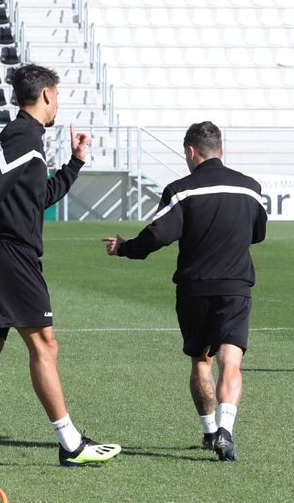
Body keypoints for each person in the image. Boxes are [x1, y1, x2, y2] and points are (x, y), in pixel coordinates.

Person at [0, 64, 119, 469]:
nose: (58, 104)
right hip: (9, 256)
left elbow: (39, 198)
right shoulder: (22, 134)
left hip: (2, 254)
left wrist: (75, 163)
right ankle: (70, 444)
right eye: (58, 96)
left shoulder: (29, 138)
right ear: (47, 95)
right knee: (44, 345)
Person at [104, 121, 266, 461]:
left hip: (194, 289)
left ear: (191, 151)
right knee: (231, 362)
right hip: (235, 287)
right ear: (221, 150)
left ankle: (209, 432)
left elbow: (157, 235)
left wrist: (124, 248)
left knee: (202, 362)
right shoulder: (251, 188)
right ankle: (225, 431)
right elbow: (258, 233)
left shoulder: (181, 190)